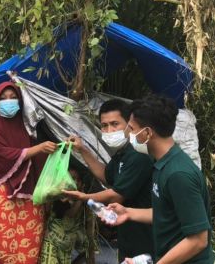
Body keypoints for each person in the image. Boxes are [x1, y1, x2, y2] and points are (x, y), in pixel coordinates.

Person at [105, 95, 213, 263]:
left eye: (132, 128)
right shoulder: (161, 164)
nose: (128, 134)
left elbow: (198, 240)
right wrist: (128, 212)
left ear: (147, 132)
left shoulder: (178, 174)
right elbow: (168, 213)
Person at [63, 99, 154, 259]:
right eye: (104, 125)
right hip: (127, 234)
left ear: (129, 124)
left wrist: (84, 197)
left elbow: (116, 194)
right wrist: (82, 149)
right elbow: (106, 176)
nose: (109, 130)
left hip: (145, 237)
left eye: (115, 124)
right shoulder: (122, 153)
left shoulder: (138, 155)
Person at [0, 81, 57, 264]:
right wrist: (39, 148)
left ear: (20, 100)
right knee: (2, 244)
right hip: (4, 189)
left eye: (13, 97)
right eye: (3, 98)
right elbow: (3, 155)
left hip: (31, 189)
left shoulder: (29, 123)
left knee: (29, 245)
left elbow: (42, 157)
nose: (8, 101)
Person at [39, 167, 90, 264]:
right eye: (71, 178)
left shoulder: (82, 201)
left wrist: (81, 197)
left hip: (67, 245)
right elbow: (70, 213)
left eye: (77, 179)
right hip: (52, 241)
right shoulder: (56, 194)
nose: (73, 182)